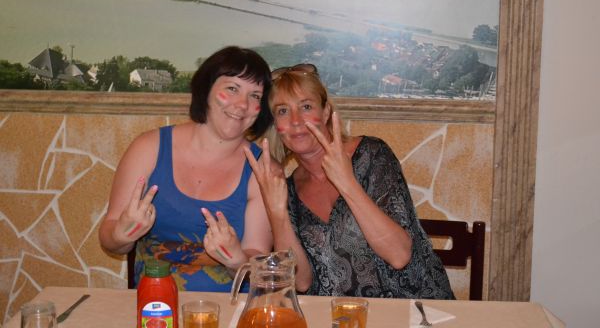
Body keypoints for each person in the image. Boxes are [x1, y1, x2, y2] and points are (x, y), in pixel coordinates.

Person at [244, 63, 454, 299]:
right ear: (276, 125)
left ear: (325, 113)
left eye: (306, 106)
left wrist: (346, 182)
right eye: (283, 111)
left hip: (415, 310)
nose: (295, 120)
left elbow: (399, 255)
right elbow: (301, 282)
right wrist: (277, 213)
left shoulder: (371, 154)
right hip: (339, 315)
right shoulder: (289, 190)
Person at [99, 46, 273, 291]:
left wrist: (236, 259)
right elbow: (109, 237)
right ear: (206, 89)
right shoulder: (148, 147)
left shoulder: (263, 169)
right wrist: (121, 235)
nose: (242, 104)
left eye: (255, 96)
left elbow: (258, 264)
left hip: (234, 309)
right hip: (156, 305)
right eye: (232, 89)